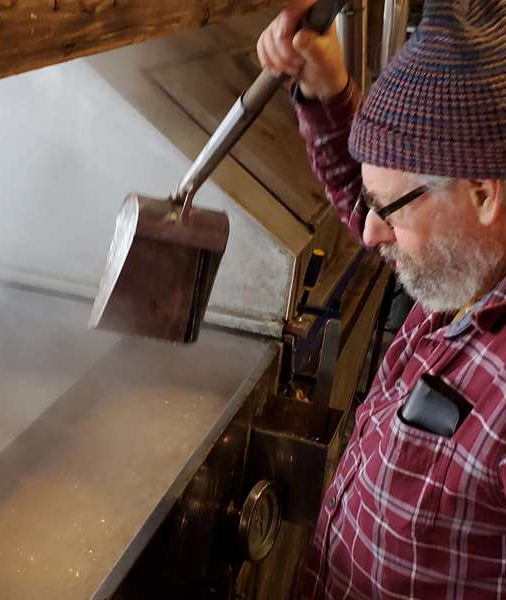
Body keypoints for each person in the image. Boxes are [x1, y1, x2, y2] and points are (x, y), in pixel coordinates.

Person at [257, 0, 506, 597]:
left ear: (481, 194)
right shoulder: (464, 272)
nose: (368, 232)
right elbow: (376, 198)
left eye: (389, 210)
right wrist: (327, 90)